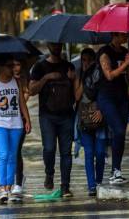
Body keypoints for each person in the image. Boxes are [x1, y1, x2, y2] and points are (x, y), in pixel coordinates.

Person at [29, 42, 75, 197]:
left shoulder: (68, 66)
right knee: (49, 148)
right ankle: (49, 173)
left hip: (67, 116)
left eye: (59, 44)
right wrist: (47, 78)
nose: (56, 46)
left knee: (66, 153)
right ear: (48, 45)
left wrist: (73, 79)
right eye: (53, 44)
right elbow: (31, 90)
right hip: (47, 116)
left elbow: (76, 95)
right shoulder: (39, 67)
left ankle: (65, 186)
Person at [0, 56, 31, 203]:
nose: (13, 68)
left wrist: (27, 120)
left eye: (13, 66)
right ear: (0, 67)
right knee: (3, 155)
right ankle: (2, 188)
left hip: (16, 124)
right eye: (9, 66)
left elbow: (22, 103)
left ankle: (9, 187)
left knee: (12, 156)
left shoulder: (17, 82)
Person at [97, 32, 129, 184]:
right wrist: (125, 63)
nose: (126, 36)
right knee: (117, 130)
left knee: (121, 133)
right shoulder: (104, 52)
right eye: (124, 34)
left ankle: (116, 170)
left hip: (122, 97)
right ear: (115, 34)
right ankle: (115, 171)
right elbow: (109, 75)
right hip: (107, 97)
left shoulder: (125, 52)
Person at [74, 48, 108, 196]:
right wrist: (82, 78)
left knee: (100, 153)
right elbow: (77, 96)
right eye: (84, 60)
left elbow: (106, 95)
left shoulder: (101, 75)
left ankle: (98, 181)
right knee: (89, 153)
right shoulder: (80, 75)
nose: (86, 63)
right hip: (85, 121)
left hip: (100, 120)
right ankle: (91, 186)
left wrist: (101, 110)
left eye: (89, 59)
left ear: (95, 60)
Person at [11, 59, 30, 196]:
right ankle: (16, 178)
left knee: (16, 150)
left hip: (20, 120)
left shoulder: (23, 80)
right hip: (5, 121)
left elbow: (25, 99)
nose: (16, 68)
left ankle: (18, 182)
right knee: (8, 152)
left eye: (18, 64)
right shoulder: (1, 80)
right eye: (12, 65)